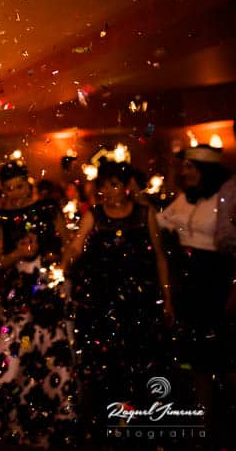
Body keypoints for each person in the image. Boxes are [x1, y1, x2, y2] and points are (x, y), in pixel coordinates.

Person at [59, 160, 171, 443]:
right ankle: (106, 424)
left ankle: (137, 424)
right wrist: (65, 261)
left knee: (138, 361)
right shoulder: (94, 215)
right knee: (104, 363)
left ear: (126, 188)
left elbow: (159, 256)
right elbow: (76, 244)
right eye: (103, 186)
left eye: (114, 185)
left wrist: (167, 297)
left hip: (138, 301)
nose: (108, 191)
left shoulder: (145, 214)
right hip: (101, 301)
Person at [0, 160, 75, 447]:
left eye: (19, 186)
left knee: (51, 354)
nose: (15, 193)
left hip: (47, 291)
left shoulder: (47, 208)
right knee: (12, 354)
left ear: (27, 183)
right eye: (9, 188)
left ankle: (52, 422)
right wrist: (18, 252)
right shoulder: (0, 217)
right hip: (18, 294)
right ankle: (1, 422)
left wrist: (57, 266)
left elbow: (66, 242)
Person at [156, 144, 234, 446]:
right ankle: (204, 424)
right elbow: (161, 221)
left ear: (207, 170)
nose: (184, 172)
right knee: (195, 357)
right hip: (188, 280)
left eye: (191, 166)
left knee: (222, 354)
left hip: (215, 278)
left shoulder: (223, 199)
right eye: (184, 166)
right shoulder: (184, 199)